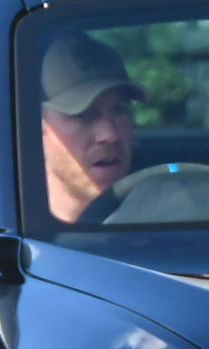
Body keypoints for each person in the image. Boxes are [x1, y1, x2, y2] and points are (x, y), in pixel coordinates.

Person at [39, 32, 143, 225]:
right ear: (37, 127)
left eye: (120, 110)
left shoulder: (164, 220)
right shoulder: (10, 236)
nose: (110, 135)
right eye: (84, 115)